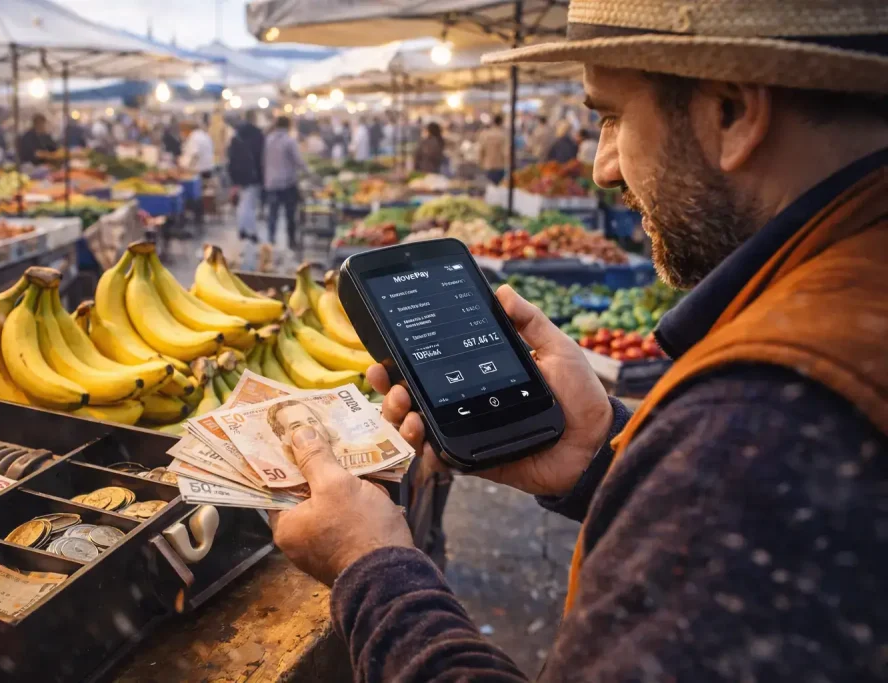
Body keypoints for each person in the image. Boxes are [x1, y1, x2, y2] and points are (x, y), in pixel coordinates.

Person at [268, 0, 888, 680]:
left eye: (612, 116)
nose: (603, 168)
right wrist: (603, 457)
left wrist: (373, 565)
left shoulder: (758, 428)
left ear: (731, 113)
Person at [263, 116, 306, 248]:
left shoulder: (268, 140)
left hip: (271, 182)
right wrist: (307, 171)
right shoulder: (289, 141)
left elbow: (263, 160)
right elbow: (298, 161)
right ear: (288, 126)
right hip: (287, 183)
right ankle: (291, 241)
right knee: (290, 214)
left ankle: (271, 240)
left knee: (272, 214)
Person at [227, 110, 265, 242]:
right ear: (255, 118)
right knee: (250, 204)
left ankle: (243, 228)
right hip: (253, 174)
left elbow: (231, 157)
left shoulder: (236, 135)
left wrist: (233, 175)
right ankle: (249, 230)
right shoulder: (257, 134)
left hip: (239, 174)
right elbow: (261, 156)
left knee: (243, 202)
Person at [478, 114, 508, 184]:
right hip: (500, 166)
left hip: (488, 165)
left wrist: (481, 163)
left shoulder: (485, 135)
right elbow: (506, 153)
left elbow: (480, 151)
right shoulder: (503, 135)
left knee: (489, 189)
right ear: (501, 122)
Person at [186, 113, 215, 181]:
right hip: (207, 171)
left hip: (199, 173)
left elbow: (195, 155)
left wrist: (189, 170)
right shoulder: (206, 136)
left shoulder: (195, 135)